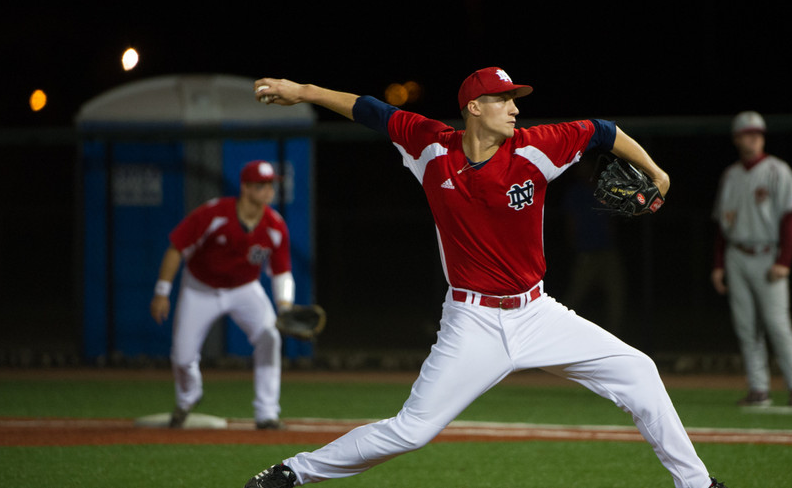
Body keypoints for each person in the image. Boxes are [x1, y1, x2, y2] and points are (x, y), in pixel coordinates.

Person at [245, 68, 727, 488]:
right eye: (503, 99)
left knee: (638, 370)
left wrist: (657, 173)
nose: (514, 108)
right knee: (413, 430)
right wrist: (303, 90)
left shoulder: (538, 147)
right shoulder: (431, 145)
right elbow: (370, 110)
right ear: (474, 107)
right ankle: (292, 473)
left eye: (515, 99)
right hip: (471, 321)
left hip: (538, 312)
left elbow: (603, 130)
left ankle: (698, 484)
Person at [150, 160, 294, 429]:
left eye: (270, 184)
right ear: (245, 187)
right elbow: (176, 248)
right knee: (182, 358)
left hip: (244, 289)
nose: (268, 190)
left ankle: (266, 413)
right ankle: (188, 396)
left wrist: (284, 306)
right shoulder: (214, 214)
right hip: (200, 289)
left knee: (270, 337)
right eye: (261, 185)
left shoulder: (275, 225)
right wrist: (162, 292)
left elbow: (281, 271)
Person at [710, 111, 792, 407]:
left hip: (768, 255)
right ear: (737, 138)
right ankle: (759, 389)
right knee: (745, 326)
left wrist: (785, 260)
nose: (753, 138)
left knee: (777, 324)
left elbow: (791, 217)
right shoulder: (730, 175)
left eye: (757, 133)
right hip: (736, 255)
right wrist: (718, 264)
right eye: (747, 134)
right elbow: (721, 225)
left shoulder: (778, 171)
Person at [561, 153, 626, 335]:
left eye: (586, 166)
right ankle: (561, 332)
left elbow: (612, 219)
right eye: (580, 168)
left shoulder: (602, 189)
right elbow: (570, 222)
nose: (584, 170)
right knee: (574, 296)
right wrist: (574, 249)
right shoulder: (575, 192)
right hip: (586, 252)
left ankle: (614, 335)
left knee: (616, 294)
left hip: (607, 250)